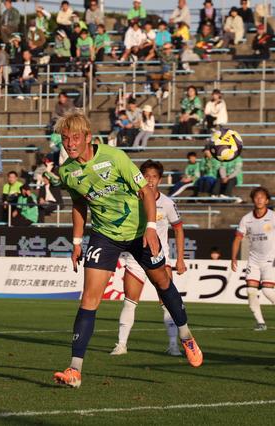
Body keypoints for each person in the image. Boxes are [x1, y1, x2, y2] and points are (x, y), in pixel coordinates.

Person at [47, 111, 202, 388]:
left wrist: (151, 228)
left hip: (140, 231)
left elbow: (145, 192)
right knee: (89, 299)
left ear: (88, 137)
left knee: (162, 282)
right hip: (104, 236)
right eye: (65, 139)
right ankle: (75, 369)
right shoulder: (67, 172)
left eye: (75, 138)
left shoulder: (114, 157)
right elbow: (79, 205)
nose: (70, 144)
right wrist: (77, 242)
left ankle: (186, 334)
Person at [110, 160, 187, 357]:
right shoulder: (131, 198)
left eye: (154, 177)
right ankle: (121, 345)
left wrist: (180, 259)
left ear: (160, 179)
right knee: (129, 302)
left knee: (167, 303)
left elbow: (179, 230)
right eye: (146, 176)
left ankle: (173, 345)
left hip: (160, 259)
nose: (150, 180)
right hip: (134, 259)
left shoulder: (167, 203)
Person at [231, 187, 275, 331]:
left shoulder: (273, 217)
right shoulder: (247, 219)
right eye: (257, 197)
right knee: (250, 290)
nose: (259, 199)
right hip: (254, 261)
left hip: (271, 260)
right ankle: (260, 323)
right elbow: (238, 238)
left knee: (267, 291)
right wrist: (233, 258)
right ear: (253, 199)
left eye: (262, 197)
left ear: (267, 201)